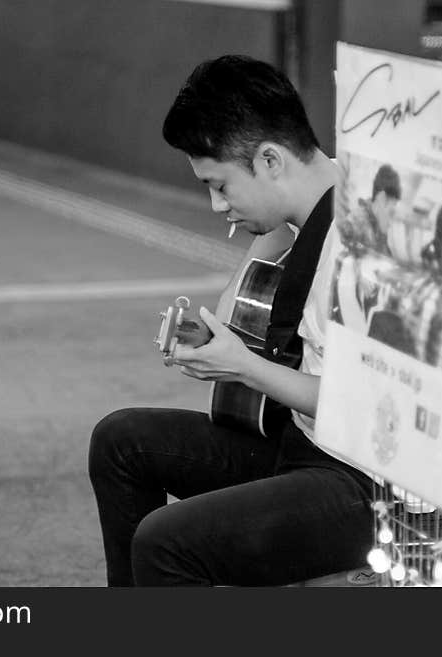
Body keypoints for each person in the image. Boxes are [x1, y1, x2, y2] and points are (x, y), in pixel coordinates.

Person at [87, 55, 376, 586]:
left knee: (164, 541)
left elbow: (360, 406)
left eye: (221, 185)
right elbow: (283, 233)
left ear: (270, 161)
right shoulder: (324, 186)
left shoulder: (364, 248)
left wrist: (241, 365)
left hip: (359, 483)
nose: (217, 206)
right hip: (301, 444)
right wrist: (231, 307)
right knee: (121, 442)